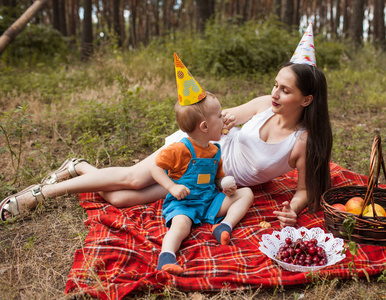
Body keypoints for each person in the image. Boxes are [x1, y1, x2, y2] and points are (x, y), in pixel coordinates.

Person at [1, 23, 332, 227]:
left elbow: (304, 190)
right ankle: (42, 193)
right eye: (275, 84)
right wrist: (226, 121)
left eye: (284, 90)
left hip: (207, 180)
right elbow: (213, 118)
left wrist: (293, 207)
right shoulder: (263, 105)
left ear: (306, 100)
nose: (274, 93)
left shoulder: (300, 142)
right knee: (132, 177)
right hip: (192, 151)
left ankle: (79, 166)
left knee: (119, 199)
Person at [152, 90, 253, 275]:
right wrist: (172, 187)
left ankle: (224, 226)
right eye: (220, 116)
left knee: (246, 193)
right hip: (185, 204)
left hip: (209, 201)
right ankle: (166, 257)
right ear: (205, 126)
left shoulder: (215, 151)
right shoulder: (180, 149)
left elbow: (217, 178)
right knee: (181, 225)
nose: (224, 119)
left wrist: (224, 184)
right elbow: (155, 168)